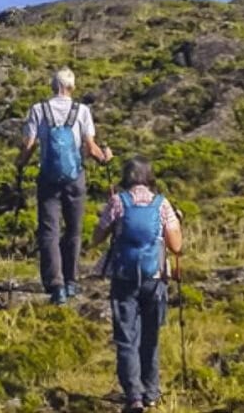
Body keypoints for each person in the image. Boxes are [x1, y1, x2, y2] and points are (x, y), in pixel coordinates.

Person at [92, 156, 183, 413]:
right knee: (150, 337)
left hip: (124, 278)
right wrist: (178, 221)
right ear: (149, 177)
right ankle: (151, 393)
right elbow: (176, 247)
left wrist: (109, 223)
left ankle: (133, 396)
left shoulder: (118, 202)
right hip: (155, 280)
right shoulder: (162, 204)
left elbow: (97, 237)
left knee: (126, 338)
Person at [17, 66, 111, 304]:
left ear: (53, 85)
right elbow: (90, 148)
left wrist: (19, 164)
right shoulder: (82, 111)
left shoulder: (39, 110)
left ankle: (55, 285)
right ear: (72, 87)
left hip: (48, 178)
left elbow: (29, 145)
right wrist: (105, 158)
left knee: (49, 231)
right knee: (74, 231)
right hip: (75, 177)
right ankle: (71, 282)